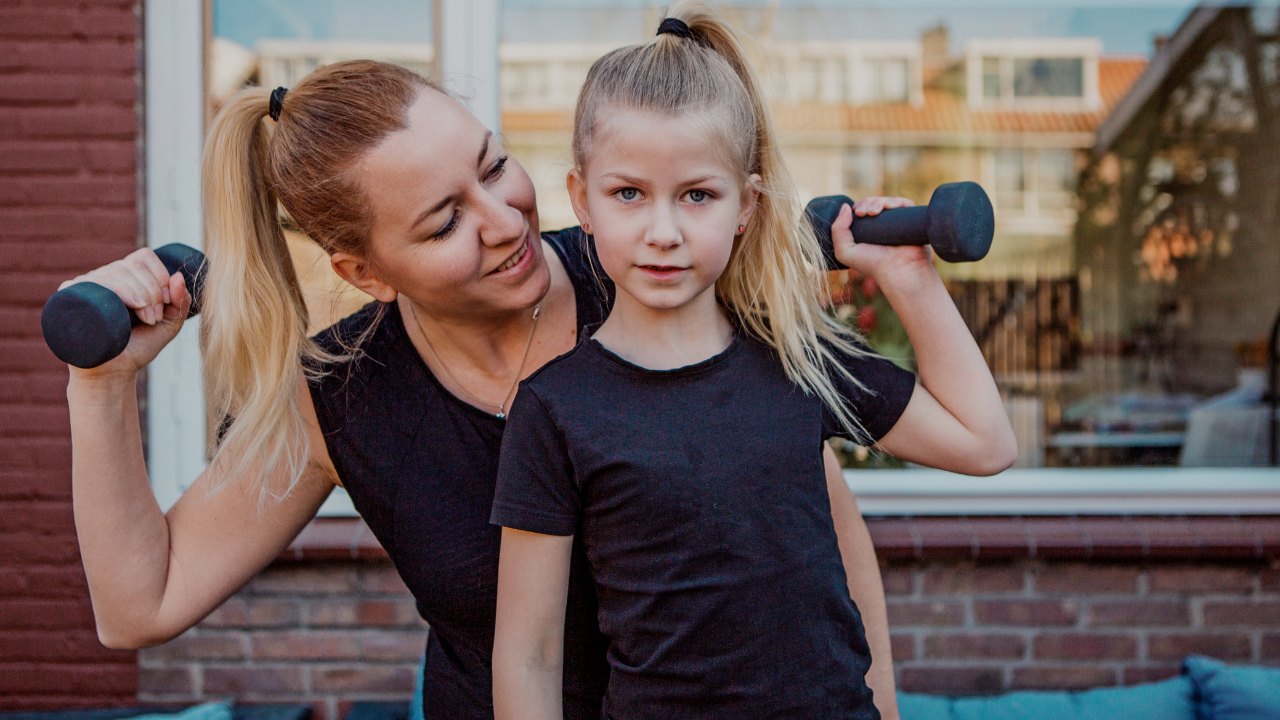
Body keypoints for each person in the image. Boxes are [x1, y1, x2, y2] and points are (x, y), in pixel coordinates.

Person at [60, 58, 910, 719]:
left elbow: (827, 535)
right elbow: (141, 606)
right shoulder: (343, 396)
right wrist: (100, 386)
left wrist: (882, 708)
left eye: (494, 166)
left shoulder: (656, 275)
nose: (506, 220)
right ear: (366, 274)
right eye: (445, 221)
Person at [489, 4, 1018, 720]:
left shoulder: (799, 357)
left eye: (698, 196)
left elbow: (986, 444)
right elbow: (529, 656)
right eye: (628, 194)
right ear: (581, 199)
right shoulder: (555, 409)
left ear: (746, 205)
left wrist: (909, 277)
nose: (665, 232)